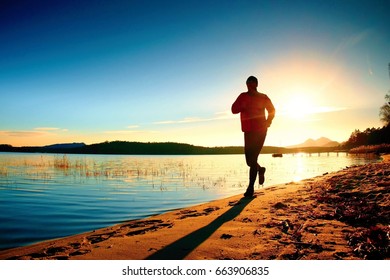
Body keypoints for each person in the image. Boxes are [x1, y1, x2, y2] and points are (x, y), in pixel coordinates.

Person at [231, 76, 275, 197]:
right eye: (247, 82)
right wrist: (242, 106)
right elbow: (233, 110)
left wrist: (268, 121)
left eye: (252, 82)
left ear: (256, 84)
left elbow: (272, 110)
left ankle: (250, 188)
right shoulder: (242, 96)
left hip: (261, 131)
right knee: (249, 161)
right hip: (248, 131)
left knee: (253, 158)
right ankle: (260, 170)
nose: (249, 84)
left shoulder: (263, 97)